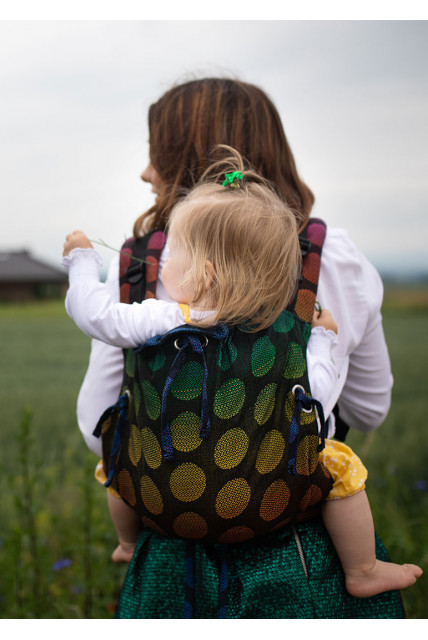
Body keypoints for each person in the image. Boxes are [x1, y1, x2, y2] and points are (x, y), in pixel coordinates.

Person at [71, 78, 405, 618]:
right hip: (299, 549)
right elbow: (370, 407)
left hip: (168, 554)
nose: (145, 172)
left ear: (183, 160)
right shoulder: (334, 258)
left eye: (156, 154)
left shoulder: (134, 268)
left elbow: (97, 428)